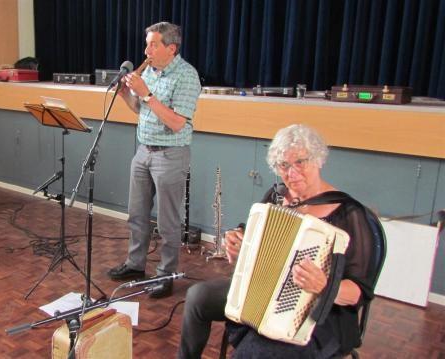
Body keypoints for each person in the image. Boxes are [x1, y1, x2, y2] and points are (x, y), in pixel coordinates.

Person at [178, 124, 375, 358]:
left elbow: (357, 293)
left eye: (300, 162)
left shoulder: (349, 214)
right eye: (284, 165)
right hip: (262, 290)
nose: (292, 173)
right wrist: (237, 241)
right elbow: (254, 235)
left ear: (318, 159)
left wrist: (324, 285)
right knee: (198, 297)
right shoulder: (277, 196)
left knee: (253, 353)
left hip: (321, 314)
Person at [106, 22, 201, 299]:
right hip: (143, 151)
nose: (146, 50)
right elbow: (143, 110)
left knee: (168, 221)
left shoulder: (187, 76)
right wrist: (127, 94)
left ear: (171, 48)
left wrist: (146, 92)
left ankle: (166, 274)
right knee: (137, 214)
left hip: (170, 154)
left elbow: (175, 122)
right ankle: (136, 265)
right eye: (146, 43)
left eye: (153, 44)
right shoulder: (150, 71)